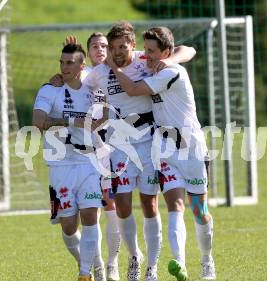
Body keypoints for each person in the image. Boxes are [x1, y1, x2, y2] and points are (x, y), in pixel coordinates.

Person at [84, 21, 196, 281]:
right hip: (119, 147)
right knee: (122, 204)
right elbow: (81, 80)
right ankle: (134, 257)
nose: (117, 52)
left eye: (122, 47)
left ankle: (152, 268)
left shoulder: (145, 60)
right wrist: (60, 81)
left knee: (149, 203)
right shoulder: (100, 72)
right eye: (112, 48)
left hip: (148, 144)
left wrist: (169, 61)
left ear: (132, 47)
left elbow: (188, 50)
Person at [107, 26, 216, 280]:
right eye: (145, 51)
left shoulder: (172, 73)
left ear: (165, 52)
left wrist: (116, 68)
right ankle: (179, 263)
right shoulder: (152, 65)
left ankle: (206, 261)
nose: (148, 56)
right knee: (174, 206)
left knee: (199, 210)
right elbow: (183, 50)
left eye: (152, 52)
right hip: (165, 149)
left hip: (192, 149)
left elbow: (188, 50)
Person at [33, 43, 108, 281]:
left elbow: (103, 116)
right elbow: (38, 121)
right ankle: (87, 263)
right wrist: (71, 121)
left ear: (81, 66)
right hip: (60, 165)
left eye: (70, 63)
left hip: (89, 161)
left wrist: (100, 121)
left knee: (90, 216)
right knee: (68, 226)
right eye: (61, 62)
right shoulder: (49, 89)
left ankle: (88, 273)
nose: (64, 67)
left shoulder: (93, 89)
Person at [50, 33, 121, 281]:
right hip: (86, 153)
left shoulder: (120, 70)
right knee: (74, 222)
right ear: (88, 54)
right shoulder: (88, 76)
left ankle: (112, 265)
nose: (100, 49)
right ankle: (97, 264)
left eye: (104, 46)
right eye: (95, 46)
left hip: (111, 151)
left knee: (108, 209)